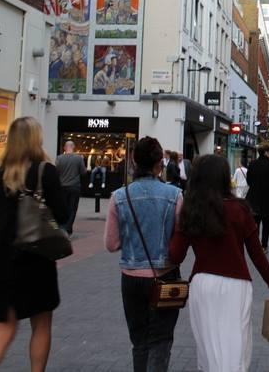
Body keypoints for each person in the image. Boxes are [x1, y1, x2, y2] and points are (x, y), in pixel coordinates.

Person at [169, 155, 269, 372]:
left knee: (208, 344)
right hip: (236, 285)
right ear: (224, 178)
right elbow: (256, 253)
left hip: (202, 284)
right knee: (235, 343)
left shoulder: (191, 209)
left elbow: (175, 255)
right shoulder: (239, 209)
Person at [0, 117, 69, 372]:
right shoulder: (44, 171)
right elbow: (62, 214)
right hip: (35, 259)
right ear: (35, 139)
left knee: (1, 331)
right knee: (41, 323)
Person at [105, 136, 183, 372]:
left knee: (139, 340)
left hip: (131, 276)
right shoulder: (175, 195)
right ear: (160, 162)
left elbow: (111, 243)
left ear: (133, 161)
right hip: (165, 276)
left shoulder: (119, 196)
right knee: (160, 340)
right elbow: (179, 241)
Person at [246, 143, 269, 252]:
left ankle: (255, 245)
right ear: (266, 152)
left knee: (255, 223)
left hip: (254, 198)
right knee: (266, 224)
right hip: (268, 200)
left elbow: (249, 181)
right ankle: (264, 246)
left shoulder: (252, 164)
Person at [55, 139, 85, 236]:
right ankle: (67, 228)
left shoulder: (59, 158)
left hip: (62, 187)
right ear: (73, 147)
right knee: (72, 208)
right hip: (74, 187)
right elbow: (83, 172)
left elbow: (56, 172)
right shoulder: (79, 158)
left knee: (64, 207)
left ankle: (64, 227)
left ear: (65, 147)